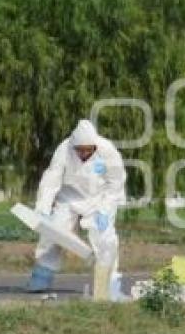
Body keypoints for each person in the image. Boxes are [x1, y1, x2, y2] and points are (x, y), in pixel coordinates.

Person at [28, 119, 126, 292]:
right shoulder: (64, 149)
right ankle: (42, 276)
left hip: (99, 200)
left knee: (105, 239)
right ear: (74, 145)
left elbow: (116, 182)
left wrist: (105, 210)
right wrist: (43, 208)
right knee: (53, 233)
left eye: (88, 150)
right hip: (69, 198)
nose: (84, 153)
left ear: (94, 146)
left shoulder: (108, 150)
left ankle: (109, 283)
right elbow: (52, 178)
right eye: (80, 150)